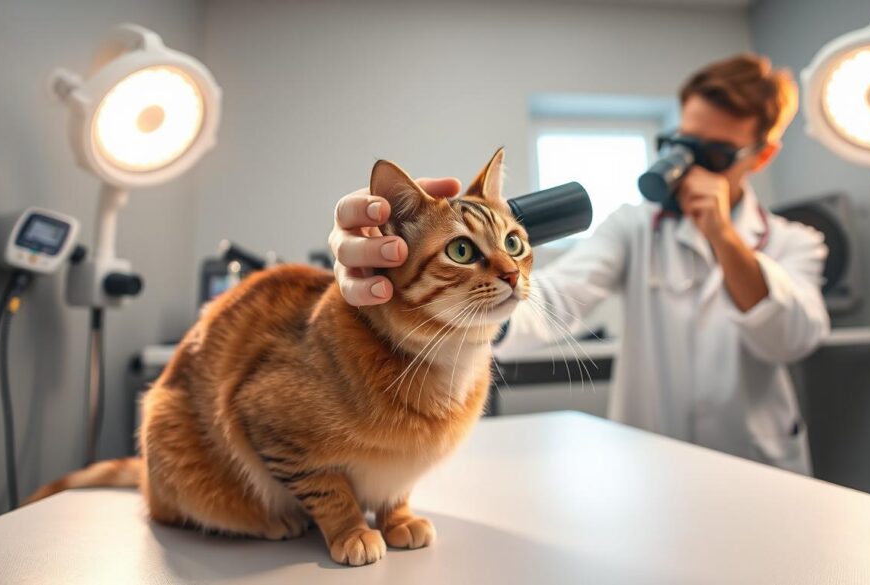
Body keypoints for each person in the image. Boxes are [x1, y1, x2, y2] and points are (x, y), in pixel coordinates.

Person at [328, 54, 830, 474]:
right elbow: (553, 300)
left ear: (761, 156)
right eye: (681, 145)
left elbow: (791, 338)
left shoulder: (795, 241)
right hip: (655, 463)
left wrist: (721, 234)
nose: (690, 166)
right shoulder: (636, 225)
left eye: (715, 154)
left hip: (761, 466)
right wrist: (440, 299)